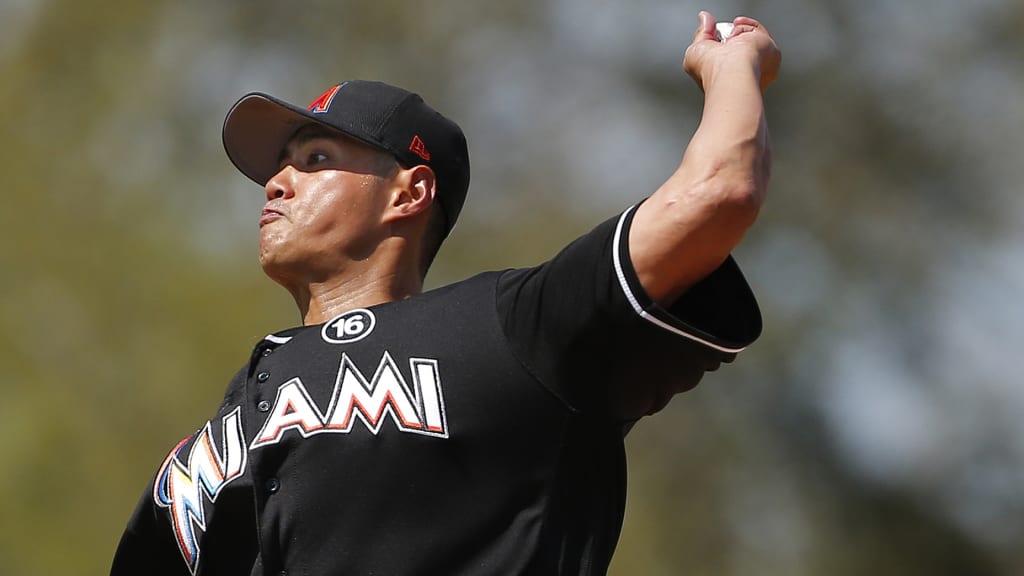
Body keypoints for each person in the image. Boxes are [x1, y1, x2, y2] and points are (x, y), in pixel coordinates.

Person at [111, 11, 780, 576]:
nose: (276, 183)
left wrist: (733, 70)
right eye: (280, 166)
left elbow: (717, 194)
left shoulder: (508, 333)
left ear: (410, 193)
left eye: (315, 159)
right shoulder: (215, 444)